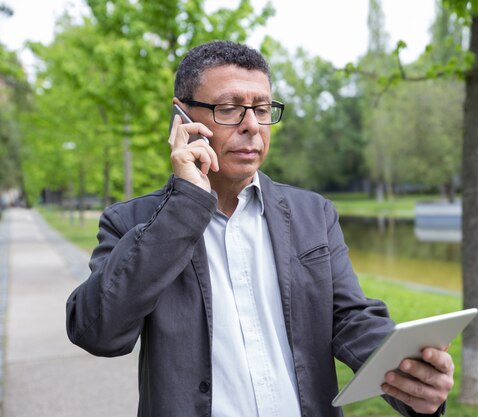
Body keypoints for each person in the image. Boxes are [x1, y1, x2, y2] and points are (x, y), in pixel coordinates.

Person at [66, 40, 453, 417]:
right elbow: (97, 331)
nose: (252, 126)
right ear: (182, 117)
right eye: (230, 109)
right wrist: (184, 206)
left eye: (263, 109)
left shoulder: (313, 213)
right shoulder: (131, 222)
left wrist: (411, 377)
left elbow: (349, 318)